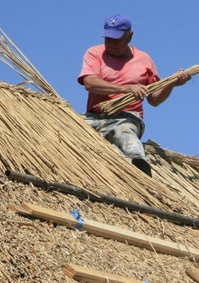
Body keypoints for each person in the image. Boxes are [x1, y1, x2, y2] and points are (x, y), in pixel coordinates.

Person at [77, 14, 191, 175]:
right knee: (67, 126)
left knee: (126, 135)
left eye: (117, 39)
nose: (111, 44)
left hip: (127, 117)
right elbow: (90, 83)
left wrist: (172, 84)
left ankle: (139, 169)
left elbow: (155, 99)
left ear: (129, 36)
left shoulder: (144, 60)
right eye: (108, 39)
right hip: (95, 116)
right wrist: (127, 89)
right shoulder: (95, 53)